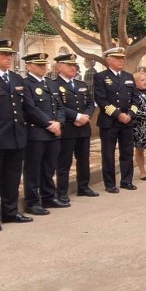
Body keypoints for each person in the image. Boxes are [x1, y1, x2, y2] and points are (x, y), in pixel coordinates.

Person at [0, 39, 59, 231]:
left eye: (10, 55)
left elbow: (27, 108)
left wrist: (48, 123)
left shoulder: (15, 79)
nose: (8, 58)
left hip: (15, 135)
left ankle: (10, 211)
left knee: (12, 177)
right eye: (4, 54)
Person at [21, 52, 66, 215]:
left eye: (44, 64)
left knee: (49, 167)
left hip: (54, 132)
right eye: (39, 65)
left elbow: (60, 106)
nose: (43, 67)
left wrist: (59, 122)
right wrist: (48, 124)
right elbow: (30, 108)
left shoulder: (51, 84)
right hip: (36, 132)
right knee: (33, 169)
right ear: (28, 66)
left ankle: (48, 196)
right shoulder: (25, 84)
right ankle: (32, 202)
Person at [94, 46, 140, 193]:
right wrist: (118, 114)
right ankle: (110, 183)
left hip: (127, 121)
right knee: (108, 153)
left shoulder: (128, 76)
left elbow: (135, 99)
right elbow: (101, 100)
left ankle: (126, 181)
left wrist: (130, 115)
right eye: (117, 58)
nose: (121, 60)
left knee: (127, 152)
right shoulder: (101, 77)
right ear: (109, 60)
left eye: (122, 58)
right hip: (110, 122)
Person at [52, 53, 98, 200]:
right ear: (59, 67)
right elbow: (57, 106)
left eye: (74, 65)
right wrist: (77, 117)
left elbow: (90, 103)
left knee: (84, 159)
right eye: (69, 65)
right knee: (64, 162)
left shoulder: (81, 84)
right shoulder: (53, 85)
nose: (73, 68)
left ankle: (83, 187)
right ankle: (62, 192)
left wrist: (86, 117)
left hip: (83, 128)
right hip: (68, 129)